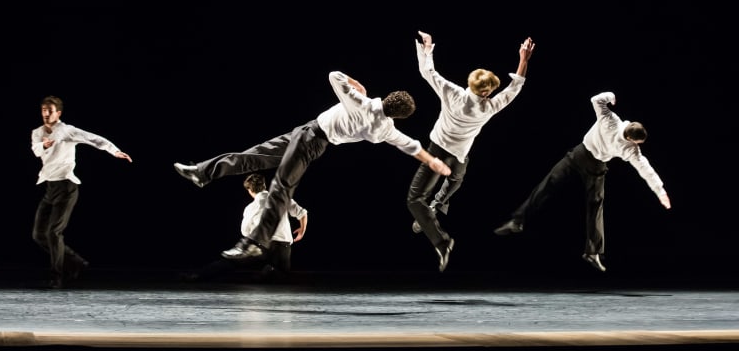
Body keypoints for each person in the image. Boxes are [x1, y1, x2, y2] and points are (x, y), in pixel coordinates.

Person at [174, 70, 451, 262]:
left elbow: (333, 75)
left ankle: (252, 244)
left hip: (310, 138)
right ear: (398, 116)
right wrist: (433, 161)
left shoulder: (361, 103)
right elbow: (410, 145)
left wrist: (357, 85)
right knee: (252, 157)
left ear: (388, 97)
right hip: (306, 136)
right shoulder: (384, 130)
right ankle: (202, 173)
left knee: (281, 186)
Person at [493, 91, 672, 272]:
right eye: (638, 142)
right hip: (589, 162)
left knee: (551, 185)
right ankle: (590, 251)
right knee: (592, 205)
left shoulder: (610, 118)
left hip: (581, 156)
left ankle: (520, 222)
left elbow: (595, 99)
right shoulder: (630, 149)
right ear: (630, 138)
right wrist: (660, 192)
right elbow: (645, 169)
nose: (638, 146)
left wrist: (611, 96)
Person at [408, 31, 535, 272]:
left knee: (416, 198)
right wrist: (523, 59)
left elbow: (428, 73)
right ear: (486, 93)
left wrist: (427, 48)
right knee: (455, 179)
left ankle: (431, 215)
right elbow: (513, 89)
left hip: (436, 151)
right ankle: (436, 208)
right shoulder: (489, 106)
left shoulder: (452, 92)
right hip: (457, 156)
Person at [31, 95, 133, 289]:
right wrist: (43, 144)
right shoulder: (37, 132)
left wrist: (114, 151)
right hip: (49, 187)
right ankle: (76, 262)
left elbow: (93, 139)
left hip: (67, 187)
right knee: (39, 235)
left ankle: (57, 276)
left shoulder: (67, 130)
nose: (46, 114)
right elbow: (36, 150)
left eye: (50, 111)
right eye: (43, 110)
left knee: (54, 232)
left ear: (58, 113)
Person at [182, 173, 308, 282]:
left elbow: (245, 231)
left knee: (231, 263)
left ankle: (197, 275)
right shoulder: (281, 199)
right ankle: (268, 271)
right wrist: (302, 230)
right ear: (264, 185)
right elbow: (302, 213)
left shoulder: (250, 207)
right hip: (283, 246)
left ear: (250, 190)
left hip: (261, 246)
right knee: (282, 271)